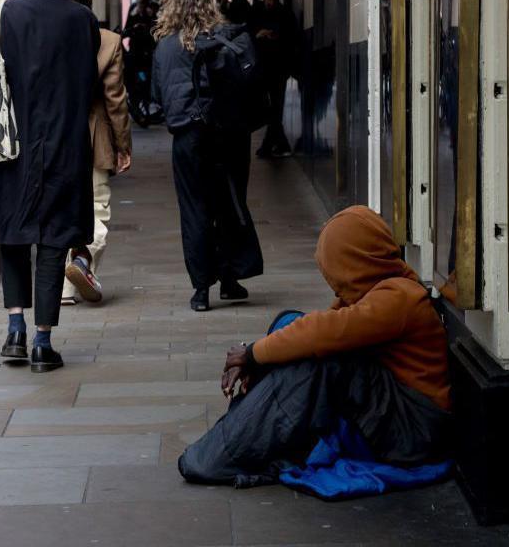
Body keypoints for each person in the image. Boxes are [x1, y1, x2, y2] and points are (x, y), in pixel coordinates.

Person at [178, 206, 450, 486]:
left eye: (337, 274)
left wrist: (252, 354)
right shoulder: (379, 289)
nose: (335, 287)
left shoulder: (399, 298)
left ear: (357, 263)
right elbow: (313, 328)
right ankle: (244, 433)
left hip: (414, 432)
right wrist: (257, 359)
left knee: (325, 359)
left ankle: (226, 453)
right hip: (397, 417)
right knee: (291, 325)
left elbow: (324, 333)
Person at [0, 0, 100, 373]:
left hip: (14, 146)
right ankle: (43, 342)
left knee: (13, 233)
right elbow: (87, 84)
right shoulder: (82, 19)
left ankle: (15, 331)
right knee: (54, 239)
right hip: (65, 145)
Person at [151, 0, 264, 312]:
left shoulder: (165, 47)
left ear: (173, 8)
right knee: (228, 204)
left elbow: (158, 97)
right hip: (225, 136)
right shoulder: (222, 40)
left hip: (187, 139)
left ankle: (201, 290)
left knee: (194, 210)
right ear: (209, 8)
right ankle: (229, 280)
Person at [54, 0, 133, 306]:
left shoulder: (44, 36)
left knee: (57, 210)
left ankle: (64, 288)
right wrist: (122, 146)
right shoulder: (108, 41)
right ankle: (83, 261)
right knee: (97, 210)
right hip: (93, 138)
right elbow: (115, 100)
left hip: (52, 137)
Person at [249, 0, 297, 159]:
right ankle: (278, 143)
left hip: (277, 68)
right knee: (272, 108)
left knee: (274, 107)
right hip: (264, 67)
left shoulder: (284, 14)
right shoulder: (257, 11)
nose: (270, 2)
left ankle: (270, 145)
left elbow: (291, 40)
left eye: (273, 0)